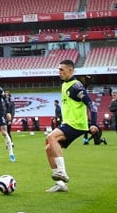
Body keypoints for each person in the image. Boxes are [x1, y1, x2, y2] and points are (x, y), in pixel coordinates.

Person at [43, 59, 100, 193]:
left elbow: (92, 105)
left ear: (71, 70)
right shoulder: (65, 85)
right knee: (48, 147)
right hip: (68, 123)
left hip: (76, 124)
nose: (59, 72)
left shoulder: (76, 86)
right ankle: (60, 184)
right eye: (58, 70)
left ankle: (62, 172)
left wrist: (94, 123)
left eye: (61, 70)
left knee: (51, 137)